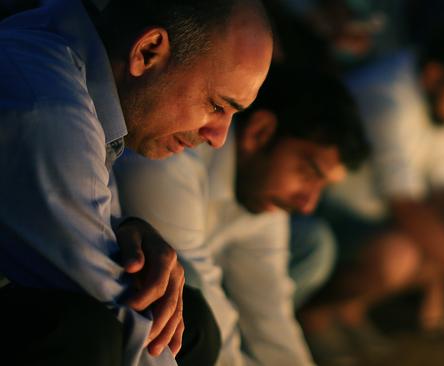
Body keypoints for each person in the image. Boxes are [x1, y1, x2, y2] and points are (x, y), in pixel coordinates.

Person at [0, 0, 272, 365]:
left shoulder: (85, 81)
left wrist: (125, 231)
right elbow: (119, 316)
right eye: (216, 106)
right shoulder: (48, 109)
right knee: (85, 333)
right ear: (147, 52)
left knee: (184, 320)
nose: (219, 137)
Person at [114, 66, 369, 366]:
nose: (307, 204)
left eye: (322, 187)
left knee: (312, 245)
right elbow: (204, 297)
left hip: (208, 284)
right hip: (114, 304)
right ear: (260, 132)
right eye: (308, 172)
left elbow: (268, 307)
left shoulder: (263, 190)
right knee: (190, 287)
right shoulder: (171, 160)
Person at [306, 26, 444, 349]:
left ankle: (350, 312)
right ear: (435, 74)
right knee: (398, 256)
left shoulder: (434, 95)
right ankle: (315, 314)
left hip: (378, 220)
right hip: (331, 215)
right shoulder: (386, 97)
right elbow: (405, 205)